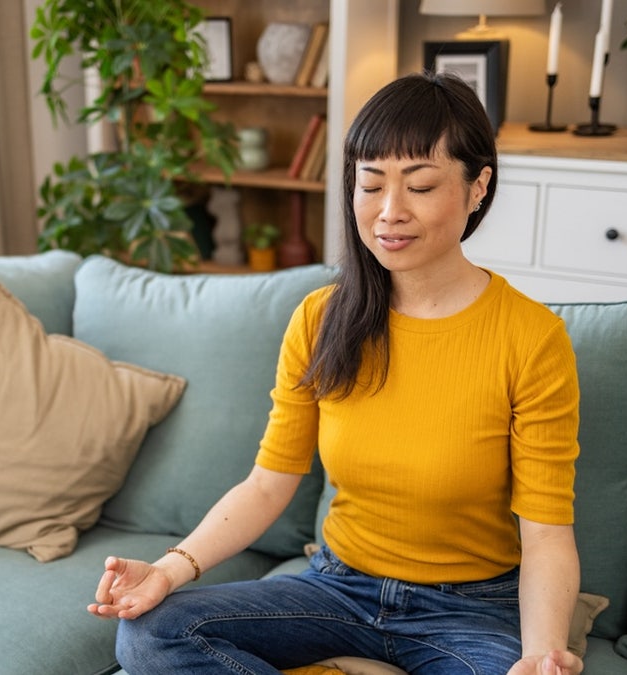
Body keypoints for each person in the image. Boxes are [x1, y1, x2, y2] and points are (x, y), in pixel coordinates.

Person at [88, 71, 585, 675]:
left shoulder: (532, 339)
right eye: (370, 184)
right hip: (336, 589)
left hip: (468, 611)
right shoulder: (322, 319)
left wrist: (541, 656)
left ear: (479, 186)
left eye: (421, 186)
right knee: (151, 633)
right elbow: (268, 484)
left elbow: (547, 536)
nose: (389, 212)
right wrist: (166, 571)